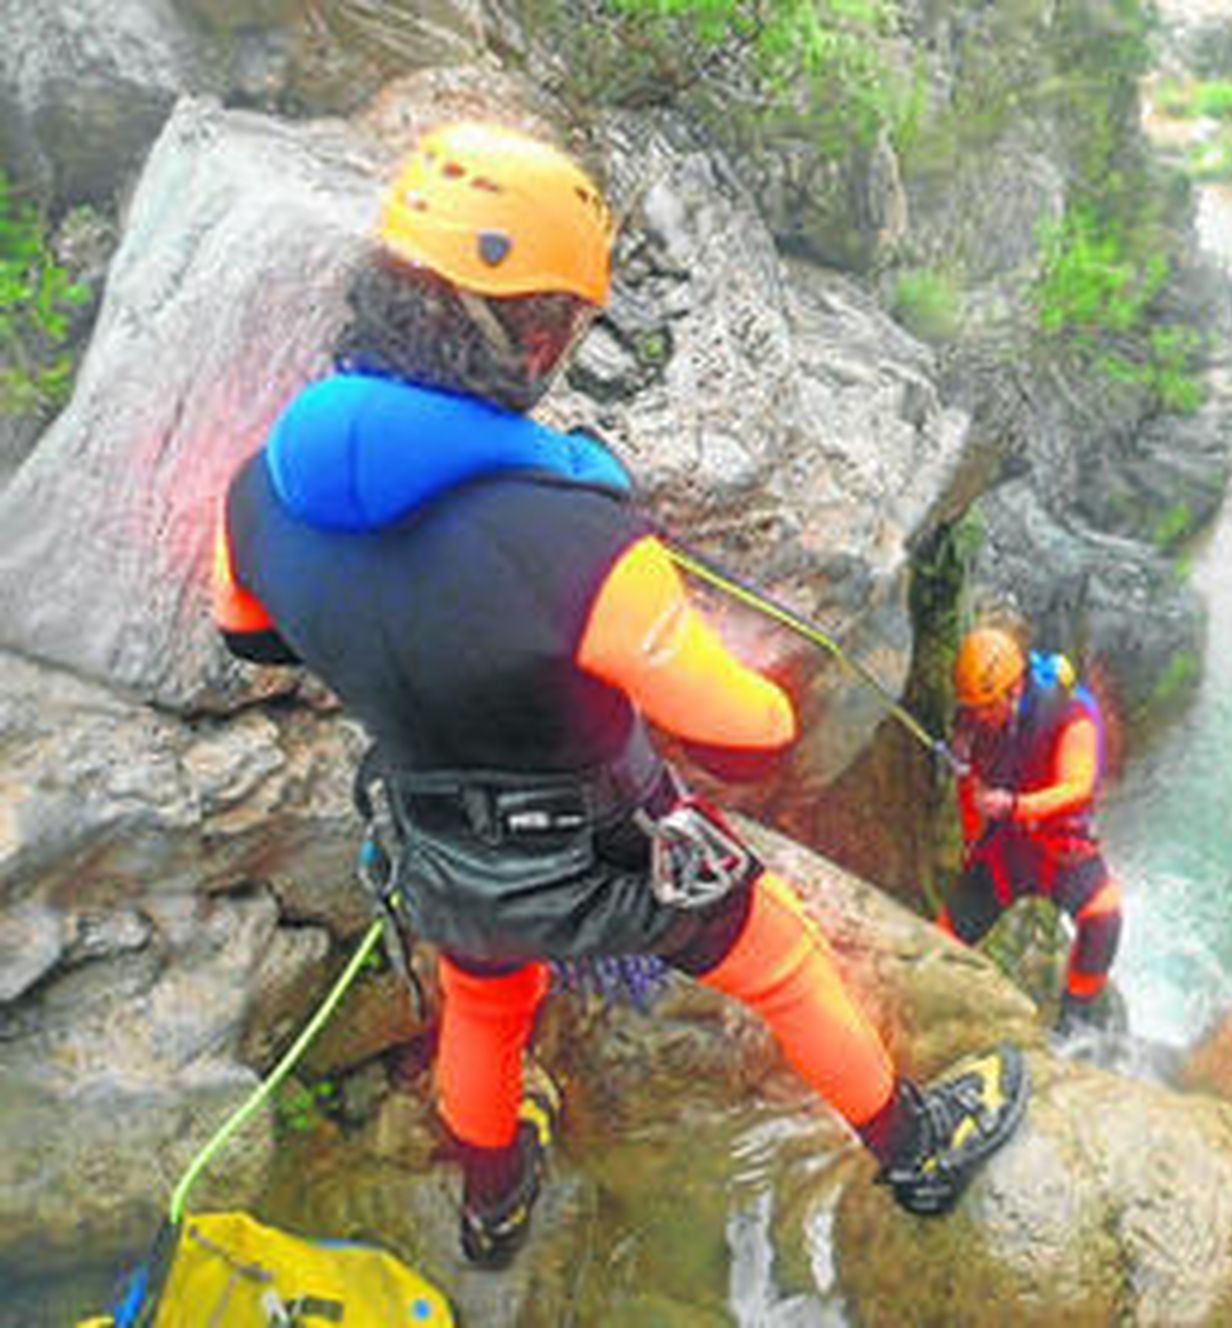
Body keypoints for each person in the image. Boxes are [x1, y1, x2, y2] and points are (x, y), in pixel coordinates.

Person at [211, 122, 1027, 1267]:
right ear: (530, 333)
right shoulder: (574, 536)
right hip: (607, 844)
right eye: (564, 322)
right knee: (781, 952)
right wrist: (722, 659)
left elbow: (249, 637)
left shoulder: (257, 492)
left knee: (486, 1002)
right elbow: (746, 729)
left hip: (441, 837)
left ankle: (490, 1201)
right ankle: (915, 1147)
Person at [940, 625, 1124, 1036]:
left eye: (988, 706)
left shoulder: (1068, 713)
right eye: (975, 707)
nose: (981, 716)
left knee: (1104, 919)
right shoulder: (973, 725)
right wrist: (973, 828)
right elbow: (967, 786)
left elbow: (1076, 788)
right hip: (1008, 850)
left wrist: (1016, 805)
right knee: (945, 935)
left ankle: (1076, 1025)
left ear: (1015, 687)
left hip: (1060, 848)